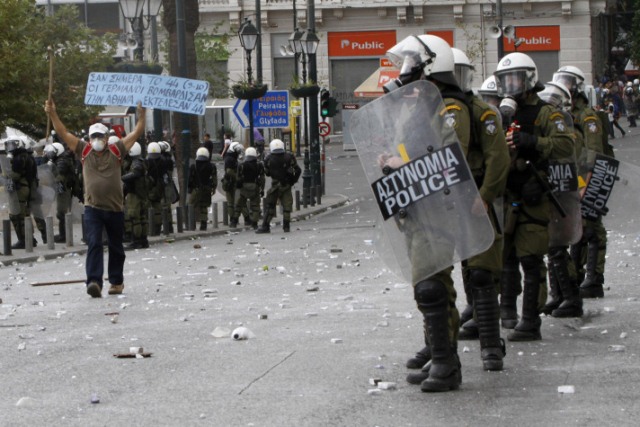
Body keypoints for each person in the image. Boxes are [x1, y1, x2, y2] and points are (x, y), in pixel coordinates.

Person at [494, 52, 574, 341]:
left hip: (533, 193)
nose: (510, 84)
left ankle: (530, 321)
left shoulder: (546, 112)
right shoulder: (503, 113)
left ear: (529, 79)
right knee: (505, 256)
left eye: (514, 78)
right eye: (505, 79)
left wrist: (533, 142)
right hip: (506, 193)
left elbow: (566, 148)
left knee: (530, 257)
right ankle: (506, 311)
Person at [444, 48, 510, 373]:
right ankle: (467, 333)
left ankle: (491, 347)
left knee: (483, 271)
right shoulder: (433, 112)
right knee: (463, 271)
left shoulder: (483, 113)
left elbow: (499, 158)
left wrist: (484, 195)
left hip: (475, 201)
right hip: (448, 203)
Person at [45, 99, 146, 298]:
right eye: (94, 136)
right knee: (94, 243)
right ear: (90, 138)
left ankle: (116, 282)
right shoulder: (84, 150)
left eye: (100, 136)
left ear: (107, 137)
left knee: (116, 246)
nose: (97, 139)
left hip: (115, 208)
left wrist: (142, 116)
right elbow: (64, 133)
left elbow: (136, 133)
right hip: (93, 208)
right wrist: (53, 114)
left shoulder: (117, 150)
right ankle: (94, 281)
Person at [553, 66, 609, 300]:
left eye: (567, 81)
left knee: (593, 229)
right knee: (578, 227)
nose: (564, 85)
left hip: (591, 175)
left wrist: (587, 182)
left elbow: (593, 151)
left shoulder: (586, 115)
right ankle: (576, 275)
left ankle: (594, 278)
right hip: (573, 177)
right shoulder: (566, 113)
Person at [4, 137, 47, 248]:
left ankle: (24, 240)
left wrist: (5, 175)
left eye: (13, 144)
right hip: (29, 189)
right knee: (27, 214)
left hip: (21, 189)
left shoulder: (19, 158)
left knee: (17, 215)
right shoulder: (27, 157)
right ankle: (32, 238)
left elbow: (15, 175)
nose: (10, 147)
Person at [256, 139, 301, 234]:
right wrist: (292, 180)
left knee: (270, 206)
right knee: (287, 207)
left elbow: (267, 173)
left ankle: (265, 226)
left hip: (275, 185)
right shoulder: (289, 157)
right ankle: (286, 226)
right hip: (286, 185)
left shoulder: (268, 158)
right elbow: (298, 170)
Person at [43, 141, 76, 243]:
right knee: (61, 212)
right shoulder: (61, 159)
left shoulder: (62, 161)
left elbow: (59, 175)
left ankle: (64, 236)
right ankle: (63, 234)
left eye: (52, 152)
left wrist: (51, 165)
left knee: (62, 213)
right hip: (63, 189)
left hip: (64, 189)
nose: (50, 154)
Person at [121, 142, 149, 250]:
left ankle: (136, 240)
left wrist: (122, 178)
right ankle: (143, 240)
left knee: (135, 218)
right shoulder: (141, 161)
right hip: (140, 193)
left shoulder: (136, 163)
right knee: (142, 218)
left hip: (135, 194)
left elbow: (135, 174)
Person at [231, 146, 265, 229]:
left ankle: (234, 222)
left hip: (244, 187)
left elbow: (238, 178)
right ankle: (254, 223)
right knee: (255, 206)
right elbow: (262, 179)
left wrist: (238, 185)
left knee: (239, 205)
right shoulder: (259, 165)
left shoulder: (241, 165)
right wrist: (262, 189)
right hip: (254, 187)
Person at [188, 147, 218, 231]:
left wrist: (190, 189)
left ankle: (192, 225)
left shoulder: (194, 165)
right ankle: (203, 224)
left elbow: (190, 178)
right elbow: (214, 179)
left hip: (196, 189)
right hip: (207, 189)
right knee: (204, 206)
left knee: (191, 205)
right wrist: (213, 188)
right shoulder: (212, 166)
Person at [222, 141, 244, 227]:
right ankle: (233, 219)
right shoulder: (230, 159)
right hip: (230, 182)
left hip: (231, 182)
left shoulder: (230, 157)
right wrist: (237, 178)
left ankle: (234, 219)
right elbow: (229, 171)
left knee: (233, 202)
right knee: (233, 202)